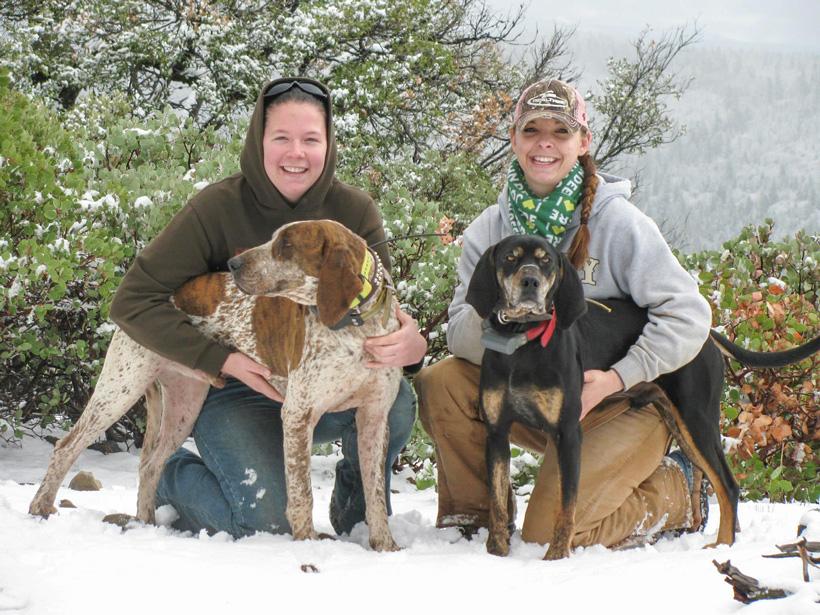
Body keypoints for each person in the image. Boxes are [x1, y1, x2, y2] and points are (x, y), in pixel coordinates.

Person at [109, 77, 426, 538]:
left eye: (310, 139)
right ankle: (170, 476)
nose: (296, 153)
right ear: (259, 140)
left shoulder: (354, 211)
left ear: (328, 144)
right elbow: (132, 301)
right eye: (281, 138)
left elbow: (378, 309)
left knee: (395, 402)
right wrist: (220, 360)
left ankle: (357, 514)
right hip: (235, 390)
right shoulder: (216, 207)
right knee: (265, 525)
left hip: (321, 385)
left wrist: (413, 347)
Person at [415, 78, 713, 549]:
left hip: (621, 403)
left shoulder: (619, 225)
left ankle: (678, 490)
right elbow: (460, 335)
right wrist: (504, 311)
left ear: (583, 141)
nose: (545, 143)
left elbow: (689, 315)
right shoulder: (489, 231)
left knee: (548, 533)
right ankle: (477, 517)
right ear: (514, 139)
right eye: (532, 130)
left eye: (561, 131)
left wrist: (618, 378)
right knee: (442, 381)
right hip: (540, 396)